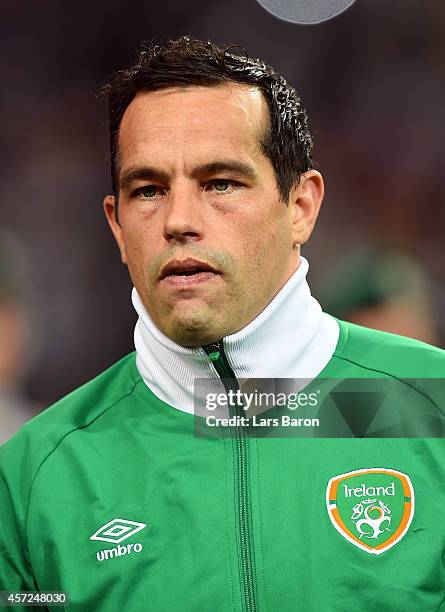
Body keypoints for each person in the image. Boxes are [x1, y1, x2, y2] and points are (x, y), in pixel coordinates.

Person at [0, 36, 444, 612]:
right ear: (116, 226)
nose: (179, 220)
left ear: (301, 206)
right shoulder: (36, 472)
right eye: (148, 190)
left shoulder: (431, 406)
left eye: (221, 183)